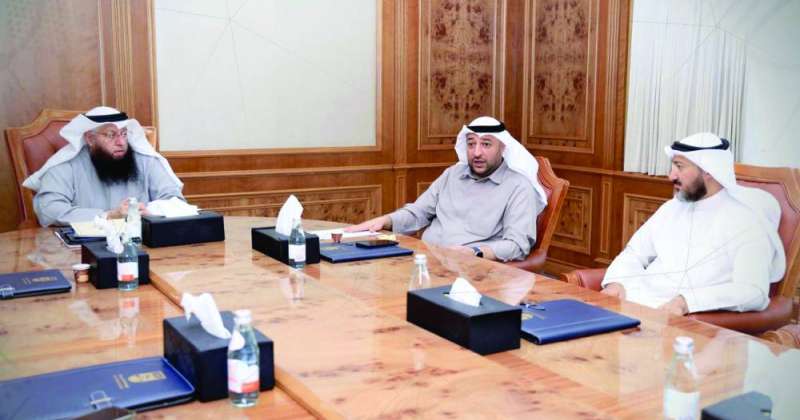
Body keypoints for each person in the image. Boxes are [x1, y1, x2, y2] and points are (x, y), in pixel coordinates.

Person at [601, 132, 785, 315]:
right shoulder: (672, 208)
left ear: (708, 171)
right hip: (633, 304)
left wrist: (687, 302)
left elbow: (753, 291)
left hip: (677, 319)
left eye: (679, 167)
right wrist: (616, 283)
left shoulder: (747, 220)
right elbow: (635, 252)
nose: (671, 176)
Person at [346, 116, 548, 262]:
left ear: (503, 148)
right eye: (471, 144)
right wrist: (385, 221)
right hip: (426, 259)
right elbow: (419, 212)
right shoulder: (453, 174)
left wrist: (474, 252)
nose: (477, 152)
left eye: (486, 144)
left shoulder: (518, 187)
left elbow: (516, 245)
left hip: (473, 270)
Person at [25, 106, 184, 226]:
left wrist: (150, 212)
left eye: (123, 134)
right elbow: (49, 210)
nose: (121, 142)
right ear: (90, 139)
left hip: (142, 242)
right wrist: (107, 216)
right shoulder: (67, 165)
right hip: (83, 248)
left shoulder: (145, 160)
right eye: (110, 135)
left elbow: (174, 199)